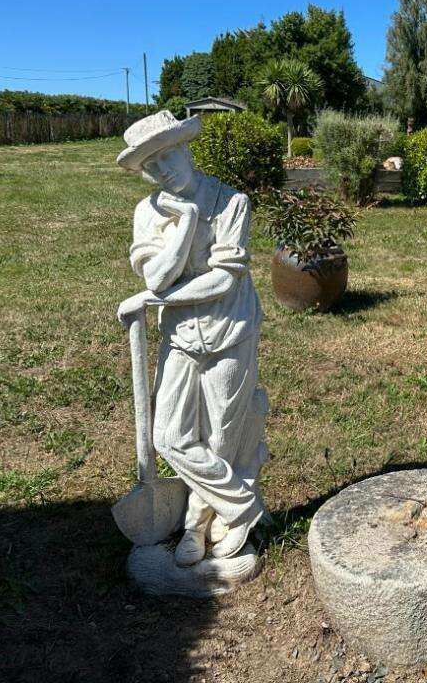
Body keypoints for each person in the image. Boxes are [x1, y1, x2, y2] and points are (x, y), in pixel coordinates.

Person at [116, 110, 268, 566]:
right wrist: (183, 223)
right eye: (152, 164)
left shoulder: (230, 201)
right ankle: (242, 505)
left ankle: (196, 525)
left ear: (186, 148)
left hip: (230, 330)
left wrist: (153, 301)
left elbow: (223, 280)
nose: (163, 170)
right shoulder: (147, 212)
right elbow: (159, 278)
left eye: (168, 156)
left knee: (222, 435)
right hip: (181, 338)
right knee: (170, 437)